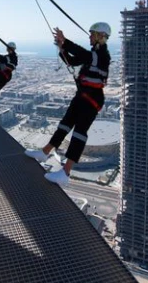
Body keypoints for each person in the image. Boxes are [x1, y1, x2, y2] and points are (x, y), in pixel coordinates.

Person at [24, 23, 111, 186]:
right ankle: (44, 152)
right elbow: (72, 61)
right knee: (65, 124)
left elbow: (82, 54)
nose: (90, 37)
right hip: (83, 95)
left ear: (100, 36)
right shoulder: (94, 55)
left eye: (92, 34)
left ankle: (65, 173)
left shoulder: (102, 55)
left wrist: (65, 41)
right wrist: (61, 47)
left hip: (92, 99)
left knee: (79, 132)